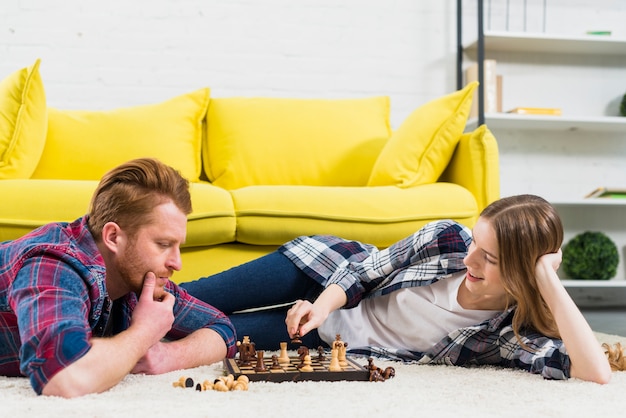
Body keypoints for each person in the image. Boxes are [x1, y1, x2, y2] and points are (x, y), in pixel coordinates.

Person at [181, 194, 620, 384]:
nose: (469, 260)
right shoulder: (448, 238)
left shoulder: (506, 335)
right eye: (476, 244)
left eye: (488, 258)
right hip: (320, 272)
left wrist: (547, 276)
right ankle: (110, 304)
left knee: (202, 331)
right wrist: (319, 304)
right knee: (194, 298)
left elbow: (594, 373)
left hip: (325, 340)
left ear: (524, 275)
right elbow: (365, 270)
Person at [0, 158, 236, 398]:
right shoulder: (53, 265)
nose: (177, 263)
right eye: (163, 244)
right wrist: (144, 332)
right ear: (113, 237)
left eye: (177, 246)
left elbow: (222, 329)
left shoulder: (138, 276)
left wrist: (168, 356)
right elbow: (65, 377)